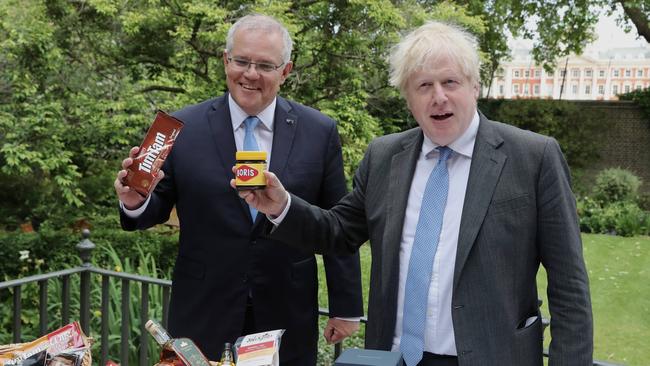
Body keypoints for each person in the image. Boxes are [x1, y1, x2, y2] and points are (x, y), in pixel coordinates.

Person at [238, 21, 593, 365]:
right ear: (408, 98)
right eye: (424, 85)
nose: (438, 97)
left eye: (450, 82)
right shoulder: (384, 157)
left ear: (475, 86)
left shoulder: (533, 158)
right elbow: (338, 231)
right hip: (394, 358)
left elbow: (570, 287)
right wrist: (281, 206)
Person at [114, 14, 363, 365]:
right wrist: (135, 201)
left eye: (265, 65)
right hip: (203, 310)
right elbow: (151, 209)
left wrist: (346, 306)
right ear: (225, 61)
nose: (250, 74)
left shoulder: (319, 131)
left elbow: (338, 223)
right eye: (242, 61)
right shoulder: (181, 128)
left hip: (287, 311)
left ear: (285, 71)